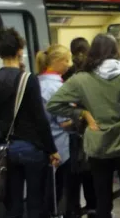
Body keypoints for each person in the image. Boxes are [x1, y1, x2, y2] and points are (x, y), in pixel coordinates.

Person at [47, 34, 120, 218]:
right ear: (115, 51)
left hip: (98, 146)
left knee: (102, 199)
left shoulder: (80, 79)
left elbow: (53, 104)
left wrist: (82, 113)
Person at [0, 28, 60, 218]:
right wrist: (52, 149)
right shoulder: (29, 79)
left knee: (14, 204)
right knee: (35, 202)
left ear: (0, 52)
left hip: (5, 148)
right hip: (31, 147)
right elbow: (39, 118)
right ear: (19, 51)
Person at [36, 44, 74, 217]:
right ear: (56, 61)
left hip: (41, 145)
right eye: (66, 60)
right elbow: (64, 122)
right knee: (56, 192)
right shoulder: (57, 88)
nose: (69, 64)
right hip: (59, 146)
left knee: (43, 192)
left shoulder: (37, 82)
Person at [62, 38, 97, 218]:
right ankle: (93, 208)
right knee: (91, 173)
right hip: (90, 129)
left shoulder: (66, 75)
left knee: (74, 175)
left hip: (72, 131)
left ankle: (73, 210)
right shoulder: (93, 72)